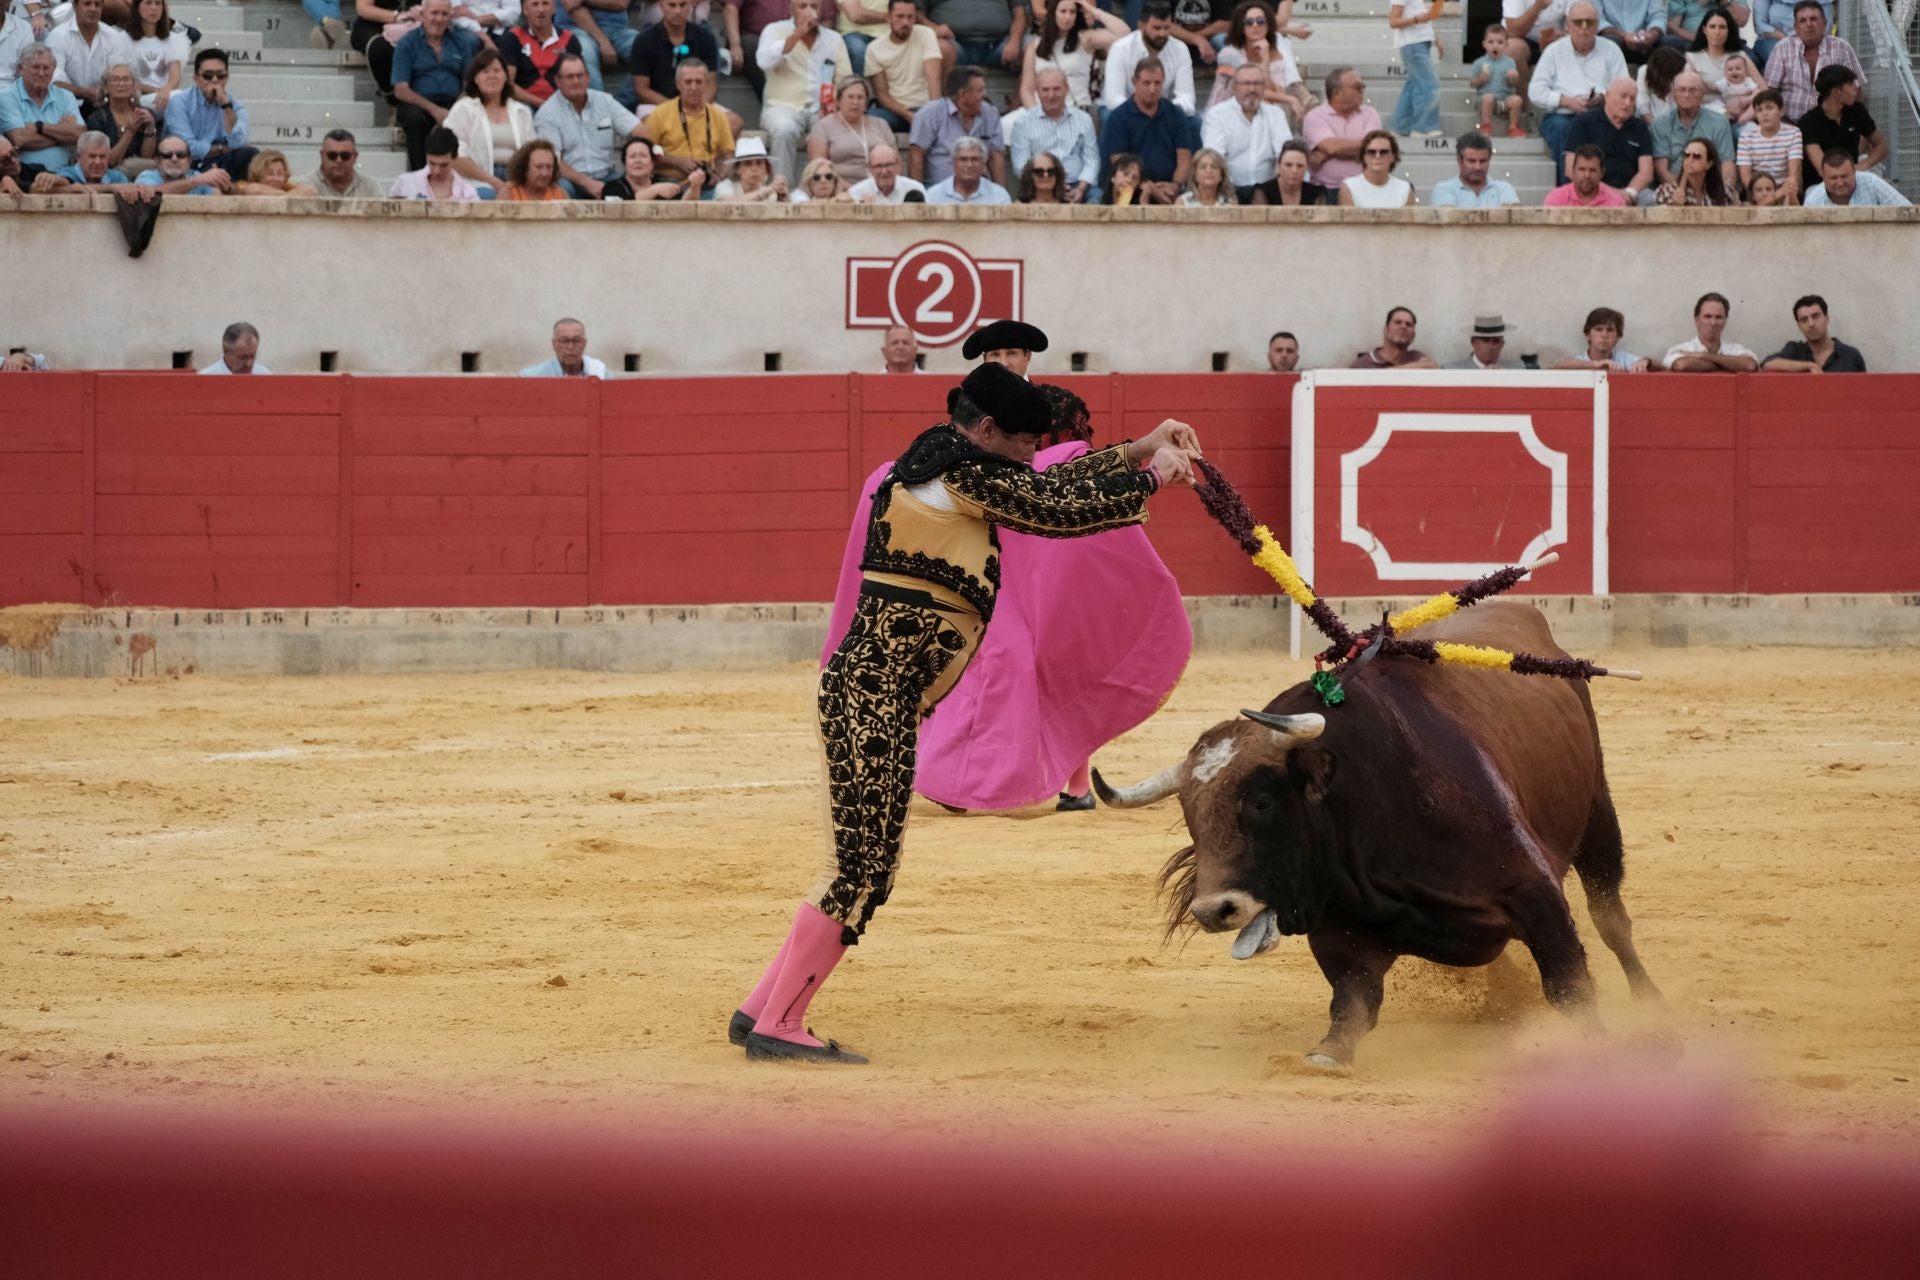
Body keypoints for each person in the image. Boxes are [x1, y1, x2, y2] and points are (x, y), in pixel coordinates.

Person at [731, 360, 1201, 1065]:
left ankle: (761, 1010)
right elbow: (1059, 508)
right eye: (1019, 441)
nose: (1028, 454)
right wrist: (1155, 476)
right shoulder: (966, 476)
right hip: (877, 701)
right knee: (865, 870)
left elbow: (1043, 484)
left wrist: (1137, 449)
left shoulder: (938, 462)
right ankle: (781, 1024)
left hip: (869, 692)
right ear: (986, 430)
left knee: (855, 863)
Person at [1527, 1, 1626, 177]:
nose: (1584, 28)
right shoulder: (1554, 51)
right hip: (1562, 115)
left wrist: (1603, 97)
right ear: (1568, 25)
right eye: (1578, 22)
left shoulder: (1612, 50)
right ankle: (1569, 191)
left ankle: (1608, 191)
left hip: (1601, 114)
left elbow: (1624, 87)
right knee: (1561, 129)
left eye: (1590, 22)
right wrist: (1566, 101)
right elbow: (1535, 91)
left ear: (1598, 25)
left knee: (1618, 128)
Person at [757, 0, 851, 183]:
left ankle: (826, 194)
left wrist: (835, 107)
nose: (810, 11)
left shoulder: (833, 39)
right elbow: (764, 62)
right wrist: (798, 33)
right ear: (791, 9)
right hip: (782, 105)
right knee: (784, 130)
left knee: (833, 129)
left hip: (822, 107)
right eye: (803, 6)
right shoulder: (774, 31)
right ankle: (783, 192)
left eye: (814, 6)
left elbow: (844, 80)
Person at [535, 52, 646, 196]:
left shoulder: (605, 101)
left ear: (588, 77)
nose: (576, 81)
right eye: (569, 77)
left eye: (580, 75)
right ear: (557, 81)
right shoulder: (547, 114)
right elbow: (552, 161)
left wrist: (633, 164)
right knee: (561, 188)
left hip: (607, 175)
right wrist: (587, 183)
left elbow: (640, 130)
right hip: (570, 181)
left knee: (632, 185)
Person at [391, 0, 484, 171]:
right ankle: (420, 176)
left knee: (472, 114)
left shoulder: (461, 43)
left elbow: (468, 83)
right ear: (422, 15)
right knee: (414, 118)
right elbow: (401, 89)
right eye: (434, 13)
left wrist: (456, 109)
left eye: (444, 14)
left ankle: (464, 176)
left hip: (453, 102)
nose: (439, 19)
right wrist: (434, 110)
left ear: (450, 17)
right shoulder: (407, 43)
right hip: (419, 103)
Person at [442, 46, 533, 195]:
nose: (492, 76)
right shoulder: (463, 109)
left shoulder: (521, 111)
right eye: (485, 71)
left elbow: (532, 153)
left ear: (505, 77)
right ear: (476, 78)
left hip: (516, 178)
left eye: (497, 71)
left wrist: (515, 183)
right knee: (487, 194)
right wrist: (493, 182)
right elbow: (455, 156)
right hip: (477, 179)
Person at [1099, 56, 1190, 204]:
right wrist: (1150, 188)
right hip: (1131, 188)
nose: (1152, 89)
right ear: (1135, 82)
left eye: (1157, 83)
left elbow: (1184, 158)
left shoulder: (1176, 114)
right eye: (1146, 83)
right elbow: (1121, 165)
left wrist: (1175, 185)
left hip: (1169, 190)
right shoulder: (1118, 117)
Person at [1207, 0, 1310, 124]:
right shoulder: (1230, 54)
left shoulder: (1275, 54)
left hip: (1258, 111)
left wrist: (1265, 59)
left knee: (1274, 111)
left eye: (1260, 21)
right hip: (1227, 113)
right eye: (1249, 22)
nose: (1255, 26)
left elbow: (1275, 93)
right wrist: (1291, 99)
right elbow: (1251, 90)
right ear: (1242, 28)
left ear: (1268, 26)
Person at [1201, 61, 1289, 204]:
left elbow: (1285, 154)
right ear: (1234, 87)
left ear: (1264, 87)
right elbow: (1215, 157)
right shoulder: (1217, 115)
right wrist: (1229, 194)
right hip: (1227, 190)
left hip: (1268, 191)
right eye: (1246, 84)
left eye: (1257, 84)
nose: (1252, 89)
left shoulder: (1276, 114)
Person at [1018, 0, 1124, 116]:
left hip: (1077, 111)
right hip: (1042, 113)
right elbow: (1027, 89)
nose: (1067, 17)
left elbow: (1124, 33)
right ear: (1053, 13)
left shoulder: (1085, 39)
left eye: (1072, 12)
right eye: (1063, 11)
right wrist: (1036, 116)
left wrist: (1091, 9)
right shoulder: (1034, 46)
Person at [1762, 0, 1861, 122]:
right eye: (1803, 21)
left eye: (1813, 19)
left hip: (1832, 125)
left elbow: (1857, 89)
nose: (1809, 24)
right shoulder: (1782, 48)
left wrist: (1854, 122)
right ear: (1796, 27)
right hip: (1791, 124)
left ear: (1824, 23)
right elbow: (1770, 91)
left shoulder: (1842, 48)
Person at [1009, 64, 1096, 202]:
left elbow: (1092, 160)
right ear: (1037, 92)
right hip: (1040, 185)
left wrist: (1081, 188)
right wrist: (1051, 186)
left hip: (1078, 185)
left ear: (1066, 89)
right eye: (1045, 90)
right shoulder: (1023, 123)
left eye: (1056, 89)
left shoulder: (1084, 119)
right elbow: (1021, 166)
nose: (1051, 95)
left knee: (1096, 200)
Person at [162, 48, 254, 178]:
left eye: (220, 76)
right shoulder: (179, 102)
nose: (215, 80)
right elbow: (188, 148)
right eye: (208, 76)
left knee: (251, 155)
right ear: (196, 78)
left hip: (218, 160)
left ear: (227, 77)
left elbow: (240, 142)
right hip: (185, 163)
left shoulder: (235, 105)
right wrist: (222, 148)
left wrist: (225, 106)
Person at [908, 63, 1005, 186]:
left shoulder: (990, 113)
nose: (985, 94)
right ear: (963, 94)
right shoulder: (930, 113)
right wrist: (918, 199)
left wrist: (1002, 196)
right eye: (980, 90)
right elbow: (916, 158)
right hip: (939, 196)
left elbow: (996, 158)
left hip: (981, 194)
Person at [725, 0, 840, 102]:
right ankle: (774, 102)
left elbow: (827, 18)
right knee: (752, 45)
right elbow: (731, 8)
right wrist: (735, 44)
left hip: (802, 37)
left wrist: (821, 43)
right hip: (757, 37)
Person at [1645, 69, 1734, 201]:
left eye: (1693, 90)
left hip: (1711, 188)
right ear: (1674, 94)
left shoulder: (1719, 122)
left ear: (1702, 94)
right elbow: (1661, 170)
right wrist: (1682, 191)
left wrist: (1724, 192)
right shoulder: (1660, 124)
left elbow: (1727, 163)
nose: (1686, 95)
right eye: (1682, 90)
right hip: (1672, 188)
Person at [641, 58, 734, 184]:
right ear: (678, 84)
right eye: (688, 82)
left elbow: (728, 154)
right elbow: (646, 151)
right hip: (668, 183)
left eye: (699, 82)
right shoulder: (660, 114)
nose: (693, 87)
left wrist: (718, 177)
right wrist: (676, 161)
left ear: (706, 84)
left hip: (706, 186)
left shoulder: (718, 116)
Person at [1795, 65, 1883, 196]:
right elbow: (1821, 167)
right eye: (1850, 84)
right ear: (1836, 93)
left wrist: (1862, 166)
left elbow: (1882, 145)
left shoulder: (1857, 110)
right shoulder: (1808, 122)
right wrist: (1848, 174)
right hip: (1821, 185)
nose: (1856, 88)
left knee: (1874, 175)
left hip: (1853, 177)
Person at [1562, 76, 1651, 202]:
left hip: (1630, 191)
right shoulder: (1583, 123)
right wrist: (1613, 194)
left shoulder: (1640, 128)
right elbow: (1570, 169)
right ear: (1607, 96)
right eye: (1623, 96)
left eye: (1632, 99)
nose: (1628, 103)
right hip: (1592, 188)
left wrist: (1630, 192)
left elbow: (1646, 172)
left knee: (1650, 199)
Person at [1101, 1, 1196, 114]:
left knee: (1194, 121)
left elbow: (1187, 97)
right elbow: (1113, 98)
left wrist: (1161, 111)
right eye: (1156, 28)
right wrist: (1141, 111)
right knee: (1108, 115)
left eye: (1167, 28)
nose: (1162, 33)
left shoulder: (1180, 49)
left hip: (1165, 113)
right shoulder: (1120, 48)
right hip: (1127, 113)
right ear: (1141, 26)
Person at [1300, 66, 1380, 198]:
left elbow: (1373, 147)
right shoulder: (1315, 117)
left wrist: (1329, 152)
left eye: (1362, 86)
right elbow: (1332, 147)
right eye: (1357, 87)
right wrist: (1361, 148)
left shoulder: (1370, 114)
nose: (1362, 90)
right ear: (1337, 93)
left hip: (1364, 189)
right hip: (1326, 191)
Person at [3, 42, 84, 170]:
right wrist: (62, 135)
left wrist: (40, 127)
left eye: (46, 68)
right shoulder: (6, 97)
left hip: (64, 173)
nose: (41, 73)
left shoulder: (66, 96)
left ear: (53, 70)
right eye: (35, 67)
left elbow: (80, 135)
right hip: (24, 175)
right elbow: (20, 139)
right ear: (21, 69)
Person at [865, 0, 941, 128]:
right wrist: (908, 115)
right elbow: (882, 95)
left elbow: (934, 78)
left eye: (910, 17)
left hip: (925, 107)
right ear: (888, 18)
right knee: (870, 118)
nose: (905, 22)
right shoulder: (874, 49)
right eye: (899, 16)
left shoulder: (926, 34)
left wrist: (935, 112)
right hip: (896, 111)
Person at [631, 0, 721, 108]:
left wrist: (697, 108)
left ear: (690, 5)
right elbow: (641, 89)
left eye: (682, 5)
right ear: (661, 6)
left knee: (734, 122)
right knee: (649, 123)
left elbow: (711, 85)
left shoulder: (706, 38)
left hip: (698, 104)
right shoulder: (643, 40)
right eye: (672, 5)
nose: (677, 11)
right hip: (657, 104)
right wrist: (677, 109)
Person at [47, 0, 134, 111]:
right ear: (75, 6)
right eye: (87, 4)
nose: (93, 9)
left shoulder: (113, 36)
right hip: (65, 104)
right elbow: (53, 81)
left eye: (97, 4)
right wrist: (86, 93)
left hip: (104, 103)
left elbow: (118, 74)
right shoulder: (58, 36)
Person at [806, 74, 890, 183]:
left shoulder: (881, 125)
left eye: (860, 97)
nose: (855, 102)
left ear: (866, 103)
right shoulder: (823, 127)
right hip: (840, 190)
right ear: (839, 101)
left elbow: (895, 163)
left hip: (880, 188)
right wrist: (852, 191)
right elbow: (819, 170)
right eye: (850, 97)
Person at [501, 0, 584, 106]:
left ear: (554, 8)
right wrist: (543, 105)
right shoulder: (512, 38)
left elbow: (579, 79)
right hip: (524, 104)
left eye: (545, 3)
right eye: (535, 4)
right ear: (525, 10)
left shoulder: (569, 39)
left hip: (562, 105)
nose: (541, 10)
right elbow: (507, 84)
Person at [1761, 295, 1865, 372]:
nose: (1811, 324)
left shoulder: (1851, 356)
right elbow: (1767, 364)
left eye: (1815, 316)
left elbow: (1864, 394)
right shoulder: (1795, 351)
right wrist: (1810, 366)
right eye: (1804, 319)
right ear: (1799, 326)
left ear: (1827, 319)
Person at [1387, 0, 1443, 139]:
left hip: (1420, 43)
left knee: (1413, 85)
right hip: (1413, 44)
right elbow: (1393, 21)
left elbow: (1423, 22)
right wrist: (1417, 19)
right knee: (1430, 85)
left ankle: (1400, 127)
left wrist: (1435, 38)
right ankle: (1423, 128)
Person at [1663, 291, 1759, 372]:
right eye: (1707, 316)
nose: (1713, 323)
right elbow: (1682, 365)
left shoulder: (1736, 350)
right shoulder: (1680, 349)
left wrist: (1704, 356)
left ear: (1726, 320)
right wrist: (1730, 365)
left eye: (1719, 317)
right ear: (1697, 320)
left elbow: (1750, 365)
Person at [1735, 87, 1799, 205]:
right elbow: (1746, 177)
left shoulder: (1794, 133)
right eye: (1759, 110)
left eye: (1769, 108)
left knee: (1791, 186)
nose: (1764, 113)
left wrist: (1780, 192)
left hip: (1784, 190)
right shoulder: (1746, 136)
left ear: (1781, 111)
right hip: (1757, 191)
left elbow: (1793, 174)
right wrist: (1763, 195)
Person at [921, 0, 1025, 72]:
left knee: (1032, 48)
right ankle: (943, 102)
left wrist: (1014, 41)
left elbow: (1020, 13)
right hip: (954, 43)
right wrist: (934, 28)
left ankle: (1022, 104)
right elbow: (916, 12)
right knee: (940, 48)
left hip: (999, 45)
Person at [84, 63, 154, 171]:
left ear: (134, 86)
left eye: (126, 79)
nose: (121, 84)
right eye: (115, 79)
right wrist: (129, 133)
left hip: (141, 171)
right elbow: (108, 161)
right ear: (106, 87)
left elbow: (147, 158)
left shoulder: (144, 114)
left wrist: (150, 128)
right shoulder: (97, 118)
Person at [122, 0, 187, 114]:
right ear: (137, 7)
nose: (154, 8)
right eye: (148, 3)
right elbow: (128, 80)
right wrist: (158, 91)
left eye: (158, 3)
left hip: (167, 95)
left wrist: (166, 90)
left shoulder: (173, 39)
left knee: (182, 98)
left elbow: (175, 78)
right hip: (139, 97)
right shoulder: (124, 39)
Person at [1429, 129, 1519, 206]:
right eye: (1471, 161)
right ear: (1459, 160)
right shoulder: (1444, 189)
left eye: (1483, 161)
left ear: (1489, 160)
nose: (1478, 167)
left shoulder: (1504, 189)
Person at [389, 124, 482, 197]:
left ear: (455, 159)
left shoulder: (467, 192)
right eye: (432, 163)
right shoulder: (404, 183)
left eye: (444, 165)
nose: (437, 171)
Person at [1553, 305, 1656, 370]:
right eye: (1598, 329)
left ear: (1618, 336)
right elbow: (1558, 366)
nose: (1604, 335)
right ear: (1588, 335)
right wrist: (1596, 364)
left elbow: (1662, 366)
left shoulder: (1624, 360)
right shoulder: (1579, 361)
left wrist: (1647, 361)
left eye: (1610, 330)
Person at [603, 131, 703, 196]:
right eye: (632, 156)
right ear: (624, 163)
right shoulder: (612, 188)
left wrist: (695, 187)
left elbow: (684, 209)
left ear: (652, 163)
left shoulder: (664, 184)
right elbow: (627, 206)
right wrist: (655, 190)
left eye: (643, 156)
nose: (638, 160)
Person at [1685, 6, 1746, 109]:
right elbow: (1690, 92)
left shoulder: (1739, 55)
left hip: (1740, 112)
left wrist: (1745, 100)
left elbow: (1762, 88)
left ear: (1729, 30)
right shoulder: (1692, 58)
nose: (1717, 32)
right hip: (1706, 114)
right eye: (1712, 27)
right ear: (1704, 30)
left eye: (1722, 27)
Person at [1801, 150, 1909, 207]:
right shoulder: (1813, 201)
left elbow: (1906, 210)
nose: (1840, 183)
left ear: (1854, 172)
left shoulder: (1872, 182)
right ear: (1823, 177)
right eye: (1833, 178)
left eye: (1844, 176)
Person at [134, 131, 233, 192]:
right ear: (157, 161)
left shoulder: (197, 177)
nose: (174, 159)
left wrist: (225, 186)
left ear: (189, 160)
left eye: (180, 155)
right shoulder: (147, 177)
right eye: (167, 155)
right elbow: (152, 193)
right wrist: (197, 181)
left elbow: (216, 197)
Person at [1471, 21, 1524, 136]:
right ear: (1484, 44)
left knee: (1517, 100)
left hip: (1504, 100)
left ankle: (1513, 127)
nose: (1495, 46)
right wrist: (1480, 79)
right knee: (1488, 98)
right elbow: (1472, 84)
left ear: (1506, 45)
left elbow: (1513, 84)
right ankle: (1486, 125)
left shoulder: (1510, 62)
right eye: (1491, 42)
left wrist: (1513, 77)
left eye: (1500, 42)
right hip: (1484, 100)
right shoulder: (1479, 63)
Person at [925, 131, 1009, 202]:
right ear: (953, 162)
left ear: (983, 163)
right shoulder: (934, 196)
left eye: (975, 159)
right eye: (963, 159)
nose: (969, 165)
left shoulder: (999, 196)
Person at [1338, 127, 1412, 206]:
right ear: (1364, 156)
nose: (1377, 156)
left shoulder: (1405, 189)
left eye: (1383, 152)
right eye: (1371, 152)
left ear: (1393, 157)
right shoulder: (1349, 187)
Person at [1653, 136, 1732, 204]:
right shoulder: (1667, 191)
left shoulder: (1724, 192)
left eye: (1696, 156)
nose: (1690, 160)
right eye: (1687, 155)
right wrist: (1673, 204)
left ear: (1709, 164)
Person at [1351, 305, 1436, 368]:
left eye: (1409, 324)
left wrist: (1386, 374)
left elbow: (1432, 366)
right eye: (1398, 322)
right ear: (1386, 330)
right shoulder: (1364, 364)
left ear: (1413, 335)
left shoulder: (1415, 356)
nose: (1403, 326)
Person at [1543, 141, 1625, 204]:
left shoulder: (1615, 202)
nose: (1587, 175)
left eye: (1592, 170)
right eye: (1582, 169)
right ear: (1573, 171)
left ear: (1602, 173)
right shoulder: (1556, 199)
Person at [713, 131, 789, 199]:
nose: (754, 169)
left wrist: (783, 197)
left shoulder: (771, 193)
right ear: (738, 169)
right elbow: (731, 202)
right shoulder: (724, 187)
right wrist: (765, 192)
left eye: (759, 163)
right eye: (748, 164)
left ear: (765, 169)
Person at [522, 317, 607, 376]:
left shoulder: (600, 374)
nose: (570, 347)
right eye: (564, 341)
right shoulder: (532, 377)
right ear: (554, 344)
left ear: (584, 344)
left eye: (576, 341)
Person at [846, 139, 924, 200]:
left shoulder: (915, 189)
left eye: (888, 165)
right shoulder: (857, 193)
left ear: (899, 166)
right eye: (878, 166)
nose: (884, 171)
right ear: (869, 169)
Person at [962, 317, 1045, 372]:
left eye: (1012, 353)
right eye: (995, 355)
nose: (1004, 363)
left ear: (1027, 356)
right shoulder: (969, 399)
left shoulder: (1048, 398)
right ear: (985, 360)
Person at [1596, 0, 1664, 64]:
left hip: (1645, 42)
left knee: (1670, 43)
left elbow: (1658, 16)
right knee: (1611, 43)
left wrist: (1653, 33)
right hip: (1615, 37)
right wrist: (1624, 35)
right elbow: (1597, 20)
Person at [1446, 313, 1522, 369]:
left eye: (1496, 341)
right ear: (1473, 342)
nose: (1491, 347)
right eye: (1485, 340)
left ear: (1502, 345)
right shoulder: (1452, 370)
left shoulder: (1518, 369)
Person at [502, 135, 570, 196]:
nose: (545, 173)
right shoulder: (509, 194)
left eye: (549, 167)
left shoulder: (561, 195)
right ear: (524, 168)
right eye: (539, 167)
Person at [236, 148, 318, 195]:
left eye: (280, 173)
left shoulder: (286, 187)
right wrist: (286, 196)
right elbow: (254, 189)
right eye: (270, 173)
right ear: (258, 174)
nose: (276, 178)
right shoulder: (243, 185)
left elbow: (311, 191)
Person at [1268, 136, 1323, 203]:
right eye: (1288, 165)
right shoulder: (1262, 192)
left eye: (1300, 166)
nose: (1294, 170)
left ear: (1307, 167)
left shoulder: (1316, 193)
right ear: (1279, 165)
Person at [1634, 44, 1682, 120]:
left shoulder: (1681, 74)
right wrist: (1657, 129)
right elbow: (1642, 107)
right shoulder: (1644, 72)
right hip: (1650, 123)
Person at [201, 322, 268, 375]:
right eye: (242, 357)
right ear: (226, 351)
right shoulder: (205, 379)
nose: (249, 364)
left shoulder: (264, 375)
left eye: (252, 356)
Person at [1717, 51, 1761, 122]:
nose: (1734, 71)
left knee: (1756, 104)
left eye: (1738, 68)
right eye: (1730, 69)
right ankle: (1727, 118)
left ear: (1746, 71)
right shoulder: (1724, 82)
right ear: (1725, 73)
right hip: (1729, 107)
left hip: (1745, 108)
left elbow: (1758, 92)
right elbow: (1713, 87)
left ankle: (1744, 118)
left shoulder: (1748, 81)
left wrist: (1748, 99)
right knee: (1717, 104)